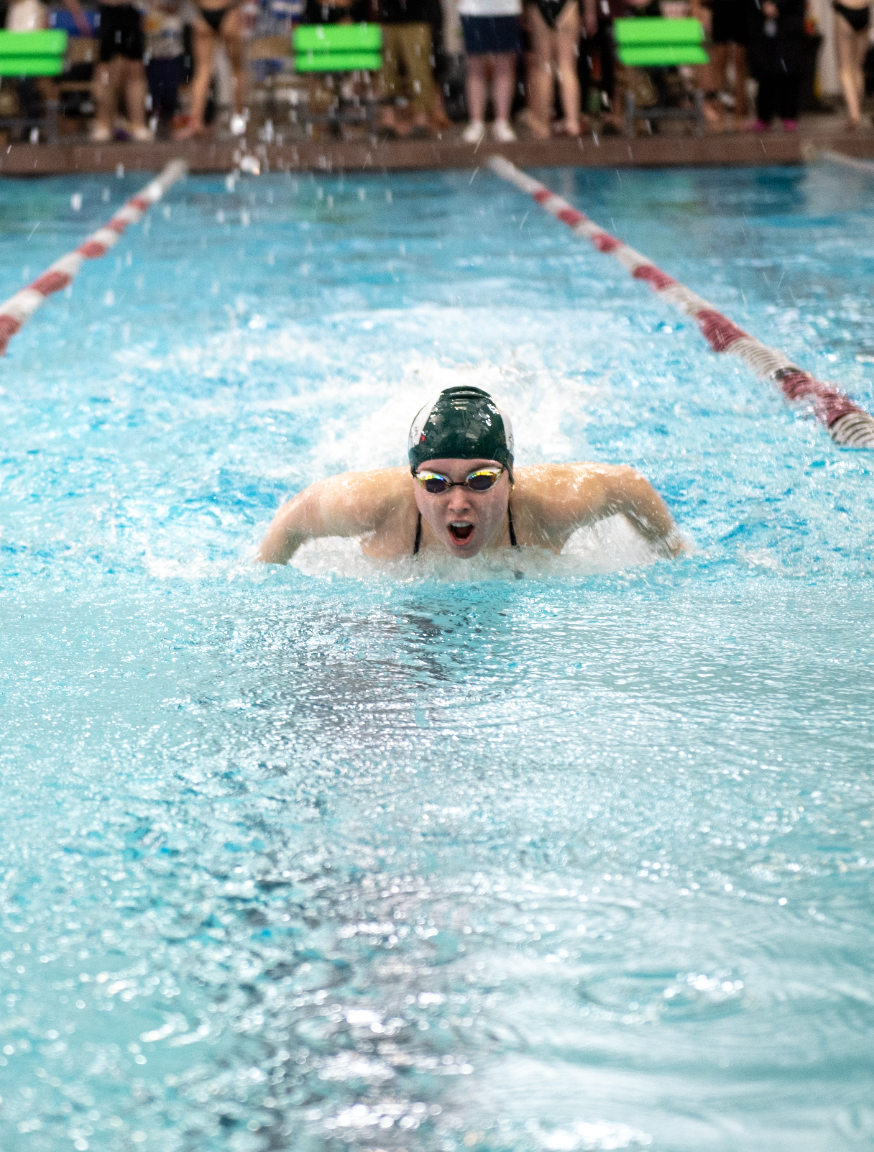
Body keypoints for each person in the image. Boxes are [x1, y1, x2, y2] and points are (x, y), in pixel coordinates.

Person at [258, 386, 685, 565]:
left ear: (510, 478)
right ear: (413, 483)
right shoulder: (375, 505)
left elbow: (629, 485)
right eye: (435, 483)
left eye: (481, 479)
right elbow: (295, 515)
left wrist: (675, 556)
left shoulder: (553, 504)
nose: (458, 502)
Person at [174, 0, 246, 138]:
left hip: (214, 9)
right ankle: (237, 121)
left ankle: (197, 123)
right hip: (221, 8)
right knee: (228, 69)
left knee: (206, 70)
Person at [457, 0, 523, 141]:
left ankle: (502, 121)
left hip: (506, 9)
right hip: (472, 10)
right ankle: (476, 122)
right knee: (475, 67)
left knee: (504, 65)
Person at [91, 0, 154, 141]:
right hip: (109, 11)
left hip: (132, 12)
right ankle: (103, 124)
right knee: (105, 69)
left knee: (135, 69)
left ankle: (138, 124)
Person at [524, 0, 588, 136]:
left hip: (540, 4)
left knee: (544, 67)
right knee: (567, 67)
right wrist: (590, 11)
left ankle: (543, 124)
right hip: (567, 4)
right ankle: (572, 122)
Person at [377, 0, 437, 137]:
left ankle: (421, 119)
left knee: (418, 70)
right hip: (389, 17)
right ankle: (388, 118)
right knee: (387, 70)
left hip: (416, 16)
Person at [746, 0, 805, 131]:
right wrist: (763, 5)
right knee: (765, 71)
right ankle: (764, 116)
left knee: (789, 71)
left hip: (788, 22)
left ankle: (789, 115)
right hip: (762, 23)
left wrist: (778, 5)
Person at [143, 0, 185, 130]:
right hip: (153, 50)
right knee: (154, 87)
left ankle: (171, 114)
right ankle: (155, 113)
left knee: (170, 86)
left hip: (172, 48)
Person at [831, 0, 871, 129]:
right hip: (864, 12)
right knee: (858, 68)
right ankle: (858, 108)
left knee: (845, 69)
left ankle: (854, 114)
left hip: (846, 11)